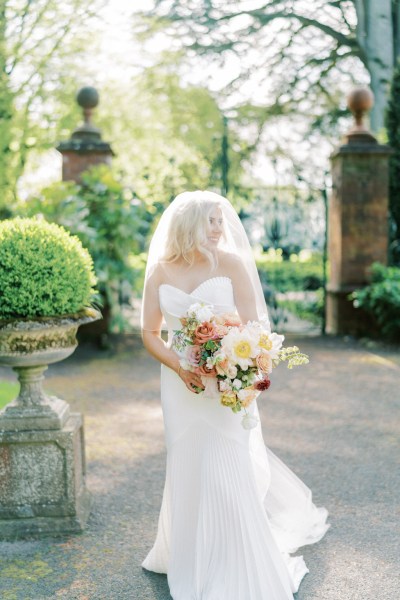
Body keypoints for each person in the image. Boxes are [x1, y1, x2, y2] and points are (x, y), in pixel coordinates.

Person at [141, 190, 329, 600]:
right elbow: (149, 333)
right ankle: (190, 555)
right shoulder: (159, 271)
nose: (218, 228)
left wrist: (238, 368)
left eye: (221, 221)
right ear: (188, 224)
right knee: (189, 463)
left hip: (227, 383)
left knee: (226, 467)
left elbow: (256, 327)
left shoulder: (232, 264)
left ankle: (237, 559)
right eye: (211, 220)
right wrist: (179, 365)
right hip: (181, 387)